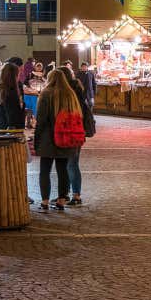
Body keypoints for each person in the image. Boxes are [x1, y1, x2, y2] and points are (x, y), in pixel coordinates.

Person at [33, 69, 86, 211]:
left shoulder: (46, 94)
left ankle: (44, 202)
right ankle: (61, 201)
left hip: (47, 139)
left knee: (45, 170)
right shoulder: (70, 94)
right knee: (63, 170)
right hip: (65, 137)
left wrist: (36, 140)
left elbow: (41, 120)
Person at [60, 66, 95, 206]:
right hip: (78, 131)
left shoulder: (68, 92)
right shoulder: (77, 89)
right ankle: (73, 194)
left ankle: (73, 195)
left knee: (70, 164)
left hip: (70, 131)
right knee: (72, 163)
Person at [0, 61, 25, 130]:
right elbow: (11, 115)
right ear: (14, 76)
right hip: (7, 131)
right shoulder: (10, 91)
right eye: (18, 74)